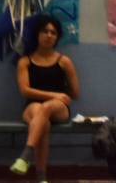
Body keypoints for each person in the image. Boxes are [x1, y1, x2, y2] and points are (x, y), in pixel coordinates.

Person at [9, 14, 80, 183]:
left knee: (47, 108)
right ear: (37, 34)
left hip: (58, 108)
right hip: (32, 106)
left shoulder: (64, 61)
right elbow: (25, 91)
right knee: (43, 121)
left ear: (57, 37)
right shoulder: (25, 61)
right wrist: (53, 94)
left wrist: (60, 95)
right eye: (45, 31)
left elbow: (75, 93)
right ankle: (42, 179)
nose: (49, 35)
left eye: (53, 33)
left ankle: (26, 155)